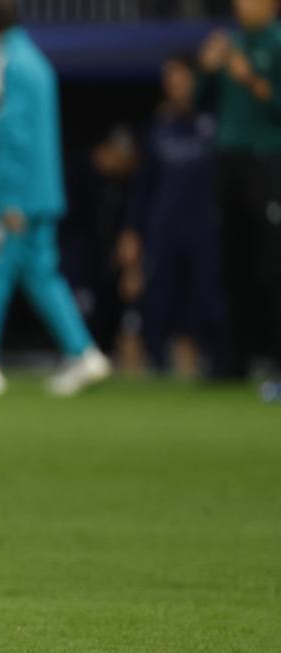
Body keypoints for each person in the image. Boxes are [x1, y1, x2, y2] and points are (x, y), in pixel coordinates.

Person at [0, 0, 110, 396]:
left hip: (9, 196)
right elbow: (10, 126)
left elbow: (13, 132)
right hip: (38, 191)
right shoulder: (33, 60)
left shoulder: (2, 62)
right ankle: (84, 354)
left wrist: (10, 198)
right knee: (41, 276)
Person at [196, 0, 281, 393]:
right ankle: (235, 360)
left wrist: (251, 79)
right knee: (232, 262)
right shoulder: (228, 42)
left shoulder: (276, 43)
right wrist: (207, 69)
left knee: (272, 264)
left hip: (266, 159)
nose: (240, 5)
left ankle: (275, 360)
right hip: (228, 159)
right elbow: (199, 101)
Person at [126, 56, 226, 376]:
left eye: (181, 78)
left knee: (207, 297)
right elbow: (143, 185)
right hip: (163, 227)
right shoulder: (159, 126)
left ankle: (217, 363)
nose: (175, 85)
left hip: (205, 226)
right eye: (169, 79)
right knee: (158, 298)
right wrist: (131, 231)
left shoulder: (216, 120)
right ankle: (158, 365)